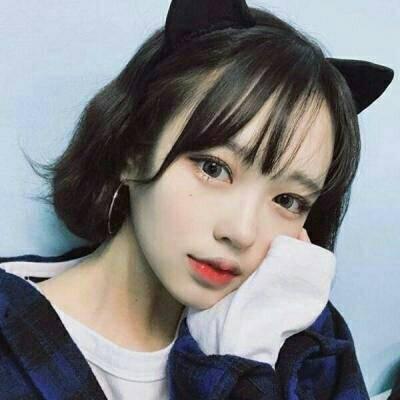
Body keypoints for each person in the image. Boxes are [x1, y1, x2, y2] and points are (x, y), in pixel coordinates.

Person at [0, 0, 394, 399]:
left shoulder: (305, 340)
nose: (241, 232)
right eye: (213, 168)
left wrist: (246, 361)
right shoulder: (11, 340)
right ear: (132, 149)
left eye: (288, 200)